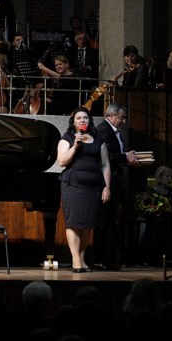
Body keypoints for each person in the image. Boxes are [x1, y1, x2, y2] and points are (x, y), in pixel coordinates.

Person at [57, 107, 111, 272]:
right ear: (73, 122)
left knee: (88, 224)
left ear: (89, 121)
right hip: (73, 186)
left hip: (93, 187)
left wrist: (107, 187)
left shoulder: (98, 140)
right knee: (73, 223)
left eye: (85, 118)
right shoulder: (67, 138)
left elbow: (105, 165)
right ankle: (75, 259)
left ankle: (82, 257)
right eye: (79, 118)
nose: (82, 120)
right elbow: (61, 162)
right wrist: (75, 146)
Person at [94, 102, 144, 269]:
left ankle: (110, 259)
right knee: (104, 222)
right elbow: (105, 157)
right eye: (122, 117)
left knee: (112, 222)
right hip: (106, 182)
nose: (123, 121)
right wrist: (125, 157)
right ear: (111, 115)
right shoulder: (103, 130)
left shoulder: (115, 131)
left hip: (115, 181)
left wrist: (128, 158)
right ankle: (101, 259)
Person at [138, 165, 172, 266]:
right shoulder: (150, 192)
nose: (169, 179)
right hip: (154, 228)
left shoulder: (171, 193)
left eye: (171, 177)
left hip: (167, 228)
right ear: (159, 177)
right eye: (167, 176)